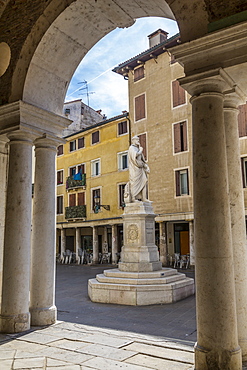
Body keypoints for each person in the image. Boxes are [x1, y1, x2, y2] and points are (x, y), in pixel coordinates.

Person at [125, 135, 150, 202]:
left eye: (138, 140)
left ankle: (144, 198)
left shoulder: (137, 148)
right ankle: (133, 198)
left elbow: (142, 160)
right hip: (134, 169)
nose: (138, 141)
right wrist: (141, 151)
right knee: (134, 183)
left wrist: (146, 166)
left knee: (144, 181)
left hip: (140, 169)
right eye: (137, 140)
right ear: (133, 141)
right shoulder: (131, 148)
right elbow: (135, 156)